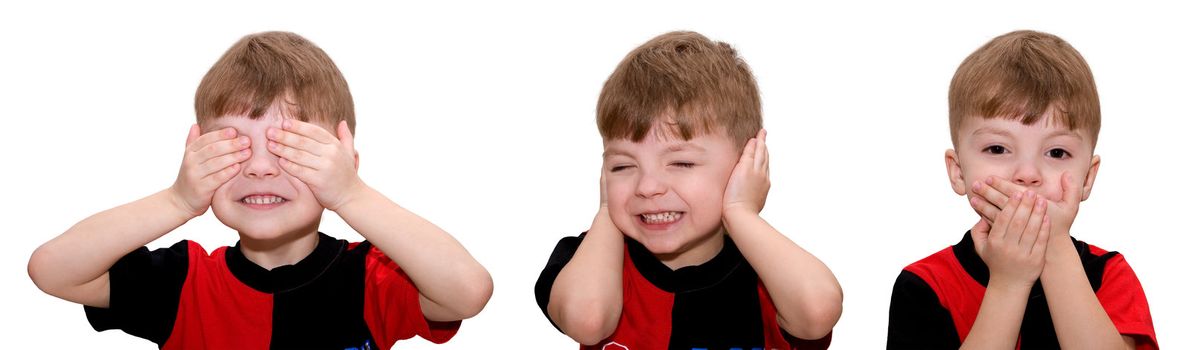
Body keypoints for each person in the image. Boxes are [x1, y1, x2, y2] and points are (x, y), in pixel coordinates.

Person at [27, 31, 493, 349]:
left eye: (292, 148)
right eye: (233, 148)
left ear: (345, 161)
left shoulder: (372, 277)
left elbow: (467, 293)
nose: (261, 168)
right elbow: (53, 270)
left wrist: (353, 195)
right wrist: (177, 200)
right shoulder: (183, 282)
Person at [535, 31, 842, 349]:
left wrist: (740, 212)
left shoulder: (771, 271)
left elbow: (817, 312)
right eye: (623, 166)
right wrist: (607, 210)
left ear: (744, 165)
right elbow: (588, 322)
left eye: (681, 163)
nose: (647, 187)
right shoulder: (588, 258)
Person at [887, 30, 1158, 349]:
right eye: (998, 149)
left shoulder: (1110, 275)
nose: (1028, 175)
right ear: (958, 172)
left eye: (1057, 153)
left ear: (1087, 178)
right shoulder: (925, 284)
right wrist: (1008, 284)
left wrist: (1056, 249)